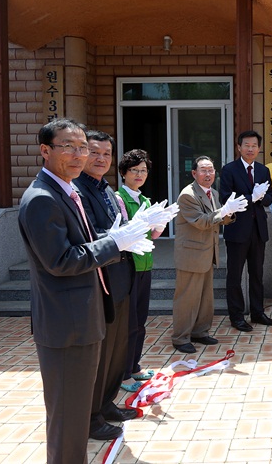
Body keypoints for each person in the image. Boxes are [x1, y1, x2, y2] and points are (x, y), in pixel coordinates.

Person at [18, 119, 151, 464]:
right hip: (66, 324)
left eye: (83, 148)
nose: (79, 155)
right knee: (67, 418)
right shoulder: (42, 199)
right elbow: (61, 260)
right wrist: (115, 242)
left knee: (75, 415)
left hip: (84, 316)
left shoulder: (68, 190)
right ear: (45, 151)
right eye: (69, 147)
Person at [75, 130, 142, 440]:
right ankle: (90, 416)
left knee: (117, 348)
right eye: (94, 152)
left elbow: (117, 227)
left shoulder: (107, 190)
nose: (101, 158)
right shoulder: (78, 191)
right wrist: (122, 236)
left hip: (122, 278)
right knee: (99, 355)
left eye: (106, 154)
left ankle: (107, 403)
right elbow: (92, 235)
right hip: (100, 281)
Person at [172, 156, 246, 352]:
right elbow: (201, 221)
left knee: (205, 298)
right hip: (191, 255)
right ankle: (180, 338)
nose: (208, 174)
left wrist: (229, 214)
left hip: (206, 252)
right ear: (194, 173)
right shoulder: (188, 195)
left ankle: (200, 332)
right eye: (203, 170)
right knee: (187, 298)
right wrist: (223, 212)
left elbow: (217, 220)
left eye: (211, 170)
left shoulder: (212, 192)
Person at [116, 149, 163, 392]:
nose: (139, 174)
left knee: (141, 320)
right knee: (129, 323)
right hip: (128, 267)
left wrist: (159, 224)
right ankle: (123, 374)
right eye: (134, 170)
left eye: (143, 170)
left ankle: (134, 366)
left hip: (145, 264)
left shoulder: (144, 200)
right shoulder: (119, 199)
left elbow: (153, 236)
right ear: (123, 172)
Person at [219, 130, 272, 332]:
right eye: (246, 145)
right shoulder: (229, 170)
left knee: (257, 274)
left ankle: (258, 312)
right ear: (239, 147)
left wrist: (262, 197)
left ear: (259, 149)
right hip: (237, 230)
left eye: (254, 146)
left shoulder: (263, 170)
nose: (250, 149)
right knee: (234, 275)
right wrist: (251, 197)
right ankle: (236, 316)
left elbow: (270, 198)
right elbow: (225, 198)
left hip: (258, 230)